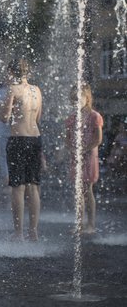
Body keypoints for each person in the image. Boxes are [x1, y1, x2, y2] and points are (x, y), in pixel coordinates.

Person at [0, 58, 43, 241]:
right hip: (35, 139)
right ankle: (33, 232)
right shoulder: (37, 90)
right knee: (33, 187)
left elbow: (5, 117)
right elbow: (38, 118)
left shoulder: (13, 89)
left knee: (18, 188)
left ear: (11, 71)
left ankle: (18, 234)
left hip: (18, 139)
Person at [65, 84, 103, 234]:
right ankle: (79, 224)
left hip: (89, 157)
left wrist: (84, 150)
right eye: (73, 99)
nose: (75, 102)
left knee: (87, 190)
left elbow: (98, 139)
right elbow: (67, 139)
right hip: (76, 156)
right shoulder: (71, 118)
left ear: (86, 98)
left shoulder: (95, 116)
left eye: (78, 99)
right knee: (78, 191)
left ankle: (91, 225)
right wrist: (73, 149)